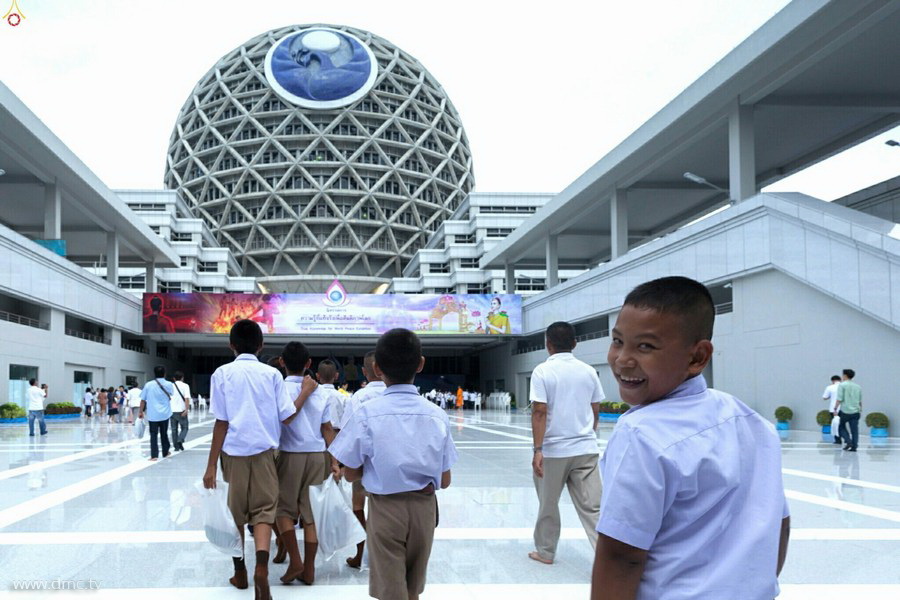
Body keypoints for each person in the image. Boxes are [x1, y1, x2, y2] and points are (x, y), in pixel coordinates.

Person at [591, 276, 790, 600]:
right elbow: (778, 525)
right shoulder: (753, 423)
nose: (622, 359)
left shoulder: (641, 433)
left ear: (697, 357)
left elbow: (622, 555)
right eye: (617, 341)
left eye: (645, 346)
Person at [330, 328, 458, 600]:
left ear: (377, 369)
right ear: (420, 364)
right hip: (424, 508)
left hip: (385, 508)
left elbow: (351, 474)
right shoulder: (437, 415)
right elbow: (445, 480)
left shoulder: (366, 414)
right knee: (412, 588)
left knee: (391, 590)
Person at [201, 319, 316, 600]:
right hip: (265, 454)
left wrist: (211, 465)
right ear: (261, 345)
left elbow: (221, 422)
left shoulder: (222, 373)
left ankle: (240, 572)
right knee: (264, 512)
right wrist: (304, 393)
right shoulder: (272, 375)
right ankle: (261, 569)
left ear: (231, 345)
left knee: (236, 515)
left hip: (233, 455)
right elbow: (287, 416)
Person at [528, 321, 604, 565]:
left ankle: (546, 551)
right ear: (574, 343)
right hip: (586, 450)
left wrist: (538, 449)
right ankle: (608, 557)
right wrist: (587, 434)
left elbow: (539, 411)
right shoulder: (589, 371)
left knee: (548, 504)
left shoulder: (542, 371)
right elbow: (595, 408)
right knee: (593, 507)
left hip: (554, 451)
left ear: (548, 344)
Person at [275, 341, 335, 585]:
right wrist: (335, 461)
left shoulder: (278, 388)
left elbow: (281, 419)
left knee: (282, 510)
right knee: (311, 514)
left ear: (282, 362)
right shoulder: (320, 391)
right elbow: (327, 428)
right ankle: (309, 569)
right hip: (318, 456)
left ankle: (296, 560)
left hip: (289, 454)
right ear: (309, 363)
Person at [339, 350, 386, 568]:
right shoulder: (391, 393)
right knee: (384, 508)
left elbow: (348, 432)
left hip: (363, 463)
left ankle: (360, 553)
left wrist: (343, 463)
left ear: (365, 371)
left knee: (358, 505)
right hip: (387, 462)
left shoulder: (358, 397)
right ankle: (381, 553)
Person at [139, 366, 175, 461]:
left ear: (154, 373)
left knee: (153, 434)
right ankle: (165, 452)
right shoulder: (169, 384)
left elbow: (143, 399)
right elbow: (171, 394)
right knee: (164, 433)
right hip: (165, 414)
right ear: (164, 373)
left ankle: (154, 455)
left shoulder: (148, 385)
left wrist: (140, 411)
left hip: (153, 414)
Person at [836, 368, 862, 452]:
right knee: (854, 430)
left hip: (845, 411)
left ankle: (848, 441)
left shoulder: (842, 385)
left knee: (841, 427)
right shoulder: (858, 386)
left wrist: (835, 408)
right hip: (856, 411)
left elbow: (839, 399)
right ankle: (854, 446)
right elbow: (860, 400)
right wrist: (860, 409)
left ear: (845, 375)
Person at [317, 360, 345, 432]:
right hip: (338, 435)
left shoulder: (313, 396)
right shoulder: (343, 398)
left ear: (317, 376)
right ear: (336, 375)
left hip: (318, 434)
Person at [170, 371, 191, 451]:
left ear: (174, 378)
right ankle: (180, 440)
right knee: (185, 427)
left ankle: (176, 447)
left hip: (172, 410)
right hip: (182, 410)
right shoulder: (185, 386)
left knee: (174, 429)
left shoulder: (170, 386)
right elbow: (187, 398)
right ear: (182, 378)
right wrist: (186, 409)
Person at [823, 375, 841, 444]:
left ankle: (838, 440)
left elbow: (824, 397)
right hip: (844, 409)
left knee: (835, 425)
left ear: (833, 381)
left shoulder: (830, 387)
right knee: (842, 424)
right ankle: (846, 439)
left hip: (833, 409)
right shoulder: (844, 387)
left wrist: (831, 396)